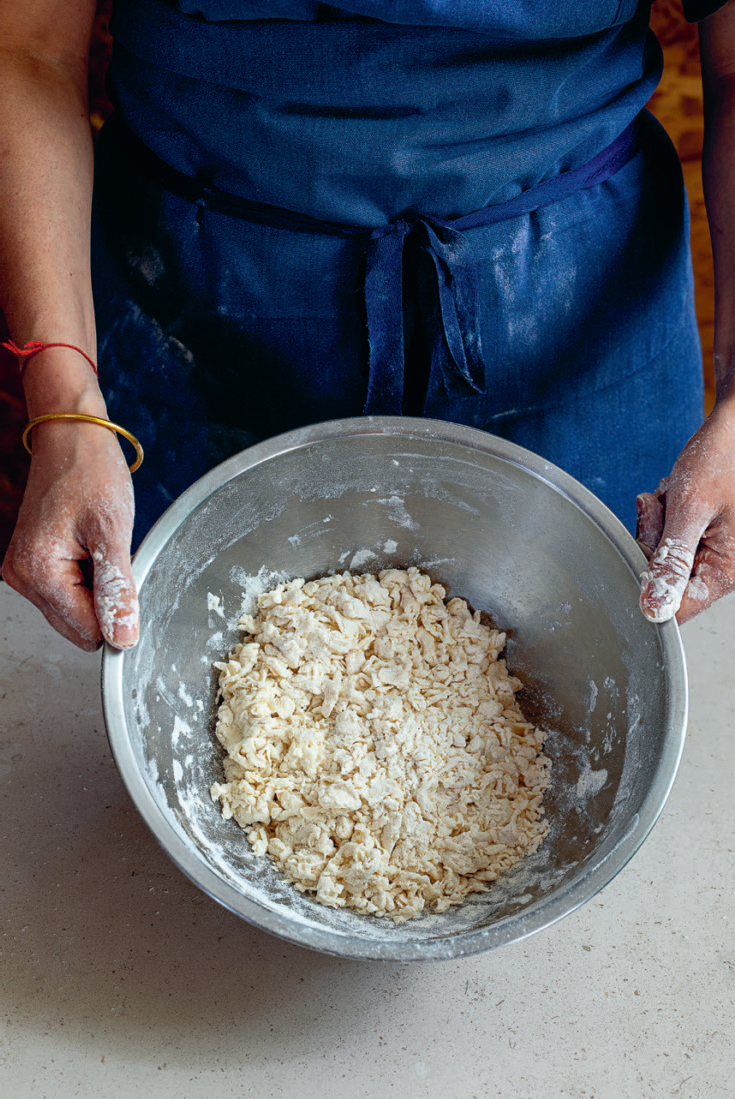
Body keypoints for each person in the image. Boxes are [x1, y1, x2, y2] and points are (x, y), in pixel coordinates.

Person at [2, 0, 735, 652]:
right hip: (199, 289)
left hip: (573, 298)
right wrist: (67, 404)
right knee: (190, 648)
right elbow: (29, 48)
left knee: (597, 653)